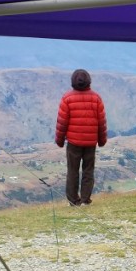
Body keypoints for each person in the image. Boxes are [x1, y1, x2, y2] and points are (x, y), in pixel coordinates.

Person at [55, 68, 107, 206]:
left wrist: (59, 141)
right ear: (88, 81)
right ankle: (85, 199)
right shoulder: (96, 98)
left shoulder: (67, 98)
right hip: (90, 143)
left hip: (73, 142)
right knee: (88, 171)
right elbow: (101, 122)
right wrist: (102, 140)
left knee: (72, 171)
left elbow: (62, 123)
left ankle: (73, 200)